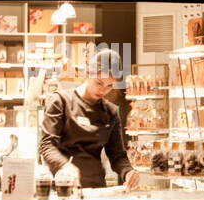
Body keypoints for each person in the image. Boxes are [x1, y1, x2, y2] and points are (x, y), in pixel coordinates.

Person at [39, 48, 140, 190]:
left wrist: (128, 172)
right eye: (99, 83)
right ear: (88, 73)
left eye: (109, 85)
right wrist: (64, 166)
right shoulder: (61, 101)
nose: (103, 90)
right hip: (63, 188)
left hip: (96, 190)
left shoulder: (110, 112)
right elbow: (47, 145)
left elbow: (117, 155)